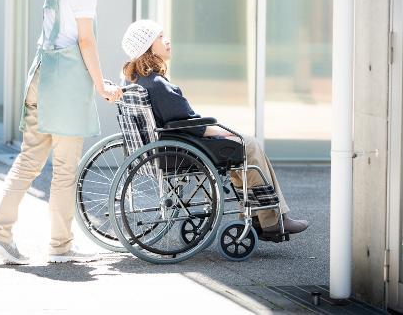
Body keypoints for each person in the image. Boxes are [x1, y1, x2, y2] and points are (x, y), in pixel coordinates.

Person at [0, 0, 122, 265]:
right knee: (65, 169)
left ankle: (0, 233)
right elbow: (85, 40)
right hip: (63, 84)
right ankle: (60, 246)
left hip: (41, 76)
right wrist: (101, 85)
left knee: (28, 161)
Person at [120, 20, 308, 238]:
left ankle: (264, 218)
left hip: (169, 146)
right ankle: (272, 219)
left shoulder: (137, 81)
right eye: (160, 37)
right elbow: (187, 123)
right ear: (147, 47)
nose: (167, 41)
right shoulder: (158, 84)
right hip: (184, 147)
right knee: (249, 145)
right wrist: (221, 131)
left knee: (243, 147)